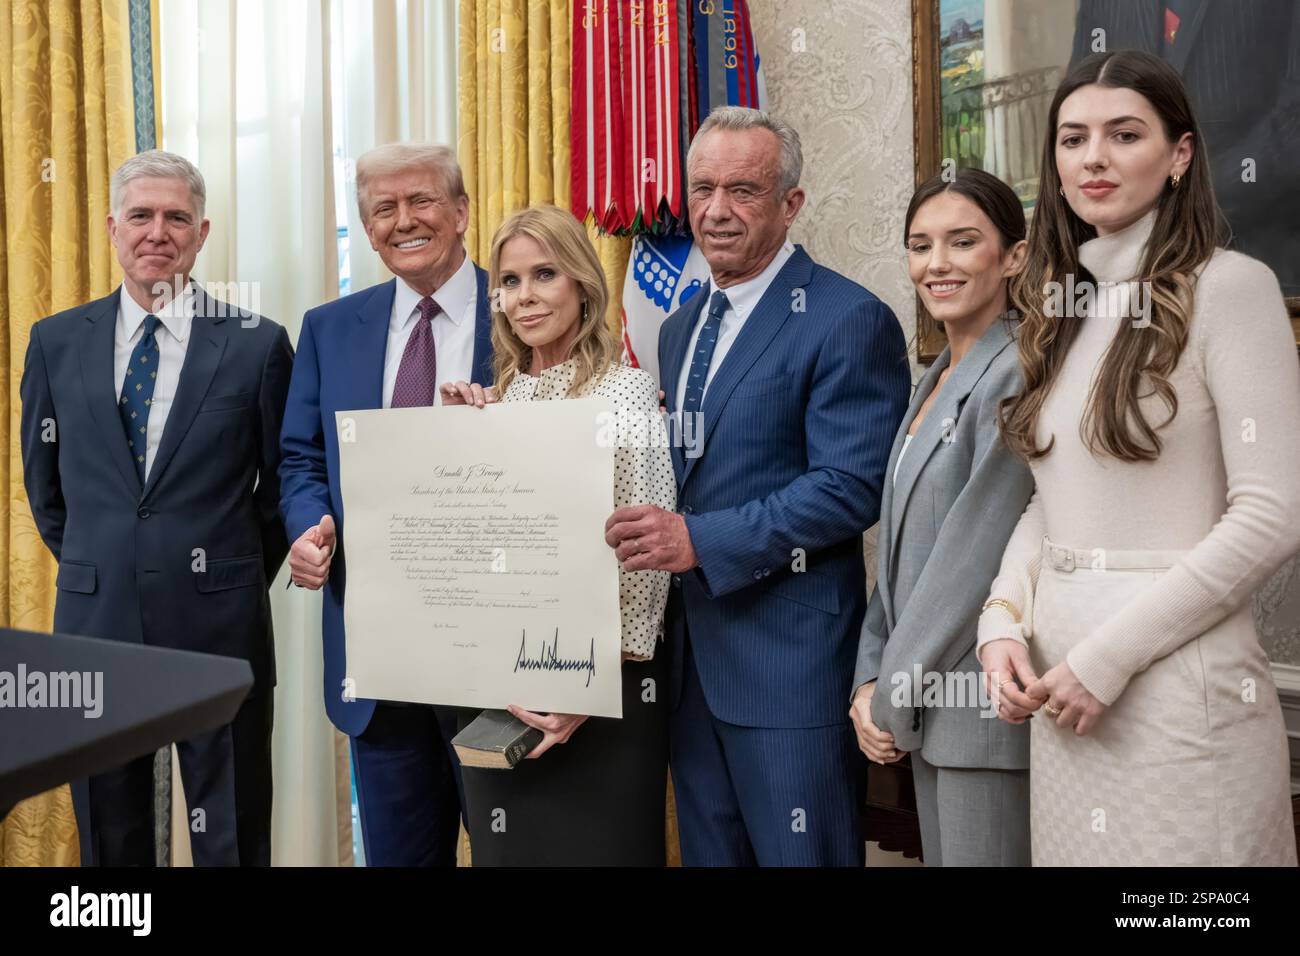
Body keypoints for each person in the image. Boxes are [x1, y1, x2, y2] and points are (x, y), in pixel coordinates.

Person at [980, 49, 1300, 866]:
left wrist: (1106, 660)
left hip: (1176, 693)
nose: (1094, 158)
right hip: (1062, 693)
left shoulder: (1231, 287)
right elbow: (1050, 496)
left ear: (1180, 154)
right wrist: (1001, 623)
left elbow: (1273, 515)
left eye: (1124, 135)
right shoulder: (1066, 306)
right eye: (1073, 138)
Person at [606, 106, 912, 866]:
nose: (716, 210)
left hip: (789, 671)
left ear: (791, 202)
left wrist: (698, 541)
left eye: (742, 190)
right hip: (689, 674)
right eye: (702, 188)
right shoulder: (678, 327)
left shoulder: (848, 318)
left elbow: (849, 487)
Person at [20, 150, 293, 865]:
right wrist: (109, 564)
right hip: (97, 628)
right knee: (111, 839)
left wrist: (221, 575)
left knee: (231, 833)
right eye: (140, 215)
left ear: (201, 234)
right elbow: (47, 492)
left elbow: (280, 489)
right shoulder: (55, 343)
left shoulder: (258, 345)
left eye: (176, 218)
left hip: (220, 629)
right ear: (113, 228)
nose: (157, 232)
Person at [439, 204, 676, 865]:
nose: (525, 295)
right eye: (509, 281)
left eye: (544, 274)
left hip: (606, 697)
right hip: (500, 693)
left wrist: (583, 688)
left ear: (582, 283)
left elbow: (648, 561)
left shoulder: (627, 393)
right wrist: (448, 440)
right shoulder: (494, 403)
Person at [278, 143, 493, 866]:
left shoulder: (524, 306)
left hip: (498, 654)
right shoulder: (328, 328)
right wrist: (307, 528)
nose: (404, 221)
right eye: (384, 209)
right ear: (368, 230)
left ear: (461, 212)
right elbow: (301, 458)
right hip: (379, 656)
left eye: (422, 200)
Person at [850, 167, 1033, 867]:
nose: (937, 264)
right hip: (926, 709)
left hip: (981, 717)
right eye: (920, 245)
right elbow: (899, 554)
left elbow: (971, 559)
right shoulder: (933, 377)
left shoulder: (1016, 372)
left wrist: (893, 689)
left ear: (1013, 256)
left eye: (962, 242)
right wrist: (868, 678)